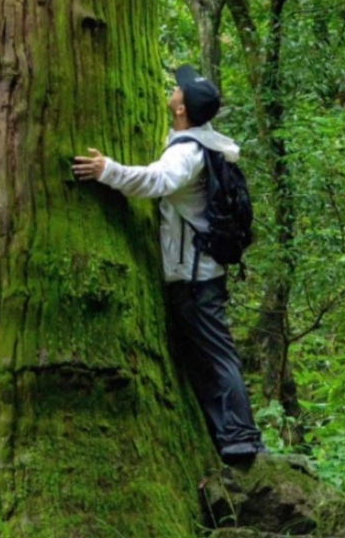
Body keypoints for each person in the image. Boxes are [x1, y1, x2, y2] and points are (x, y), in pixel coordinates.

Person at [72, 65, 265, 465]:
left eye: (178, 90)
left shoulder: (187, 152)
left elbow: (156, 181)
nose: (174, 90)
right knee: (201, 356)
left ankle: (243, 438)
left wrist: (107, 171)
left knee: (217, 354)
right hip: (196, 271)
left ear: (181, 109)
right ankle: (224, 437)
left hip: (195, 277)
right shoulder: (203, 143)